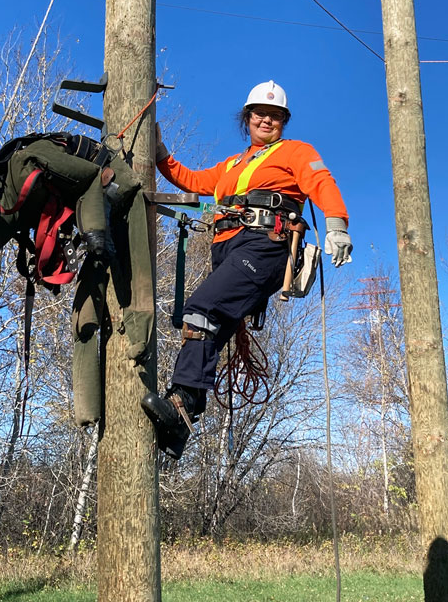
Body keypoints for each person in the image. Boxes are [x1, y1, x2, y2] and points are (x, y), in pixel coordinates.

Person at [141, 80, 352, 459]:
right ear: (247, 119)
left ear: (284, 121)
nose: (266, 120)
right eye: (260, 114)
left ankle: (182, 400)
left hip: (265, 245)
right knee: (208, 325)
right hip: (227, 249)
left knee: (202, 308)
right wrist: (159, 154)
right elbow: (190, 179)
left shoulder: (296, 152)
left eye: (275, 115)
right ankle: (180, 429)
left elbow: (321, 181)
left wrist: (336, 224)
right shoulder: (232, 165)